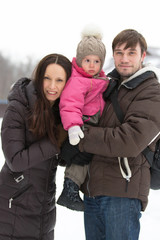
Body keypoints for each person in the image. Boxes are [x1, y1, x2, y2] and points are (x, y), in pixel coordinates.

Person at [67, 29, 160, 239]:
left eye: (131, 53)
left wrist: (79, 136)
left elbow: (129, 141)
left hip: (122, 192)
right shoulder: (105, 85)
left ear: (143, 56)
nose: (124, 59)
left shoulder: (152, 92)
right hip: (92, 191)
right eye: (119, 52)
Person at [0, 53, 72, 240]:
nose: (52, 86)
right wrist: (55, 141)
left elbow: (56, 159)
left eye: (59, 80)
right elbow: (15, 160)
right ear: (39, 78)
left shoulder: (61, 112)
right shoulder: (19, 106)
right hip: (12, 203)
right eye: (47, 78)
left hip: (43, 207)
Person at [57, 26, 108, 211]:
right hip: (81, 124)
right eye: (87, 60)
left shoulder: (100, 80)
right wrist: (73, 126)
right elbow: (69, 104)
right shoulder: (77, 81)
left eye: (96, 61)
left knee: (85, 159)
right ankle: (69, 189)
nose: (92, 65)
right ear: (79, 60)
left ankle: (75, 188)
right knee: (79, 159)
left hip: (94, 124)